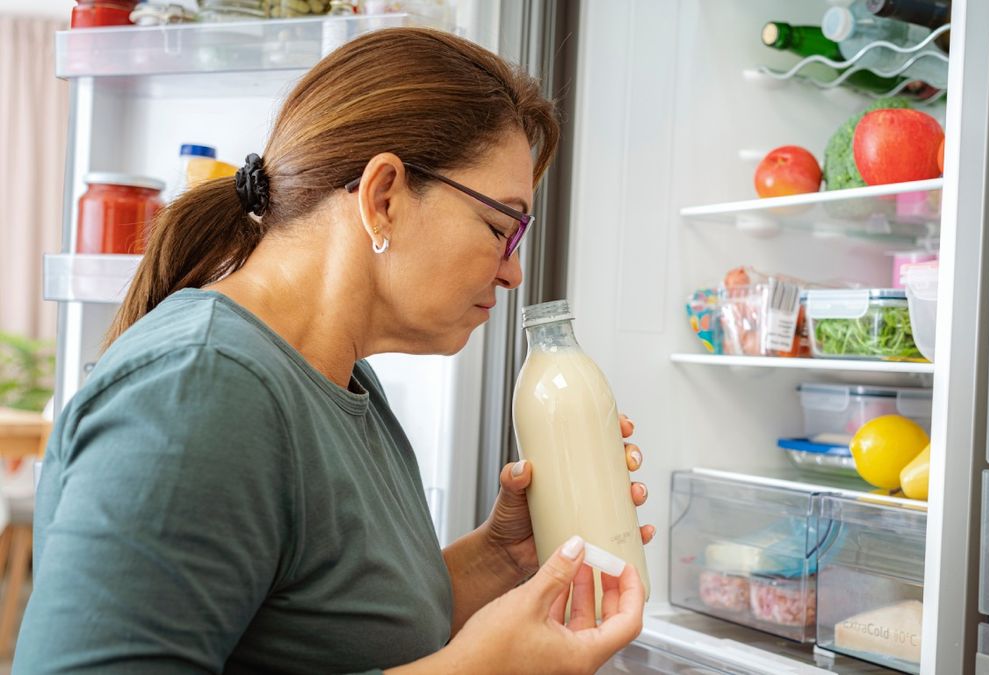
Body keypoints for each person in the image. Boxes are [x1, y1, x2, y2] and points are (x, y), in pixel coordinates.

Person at [14, 27, 652, 674]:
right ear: (384, 196)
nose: (513, 273)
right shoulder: (198, 390)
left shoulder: (347, 384)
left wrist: (503, 555)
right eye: (500, 228)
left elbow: (340, 634)